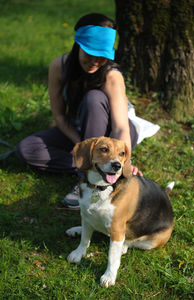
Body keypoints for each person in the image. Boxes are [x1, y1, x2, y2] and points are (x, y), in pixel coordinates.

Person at [17, 13, 143, 210]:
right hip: (78, 130)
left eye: (101, 55)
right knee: (27, 149)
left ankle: (87, 180)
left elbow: (120, 127)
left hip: (113, 135)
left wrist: (125, 163)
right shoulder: (59, 66)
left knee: (94, 98)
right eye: (89, 53)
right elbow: (59, 115)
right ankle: (97, 168)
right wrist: (84, 149)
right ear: (78, 45)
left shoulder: (112, 75)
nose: (95, 60)